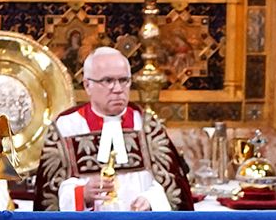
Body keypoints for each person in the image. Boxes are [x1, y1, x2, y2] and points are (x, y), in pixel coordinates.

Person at [33, 48, 192, 211]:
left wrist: (151, 200)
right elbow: (49, 195)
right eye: (108, 81)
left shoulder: (146, 126)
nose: (118, 89)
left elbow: (174, 188)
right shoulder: (66, 127)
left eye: (124, 80)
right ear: (87, 85)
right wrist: (82, 194)